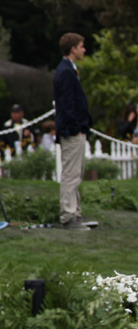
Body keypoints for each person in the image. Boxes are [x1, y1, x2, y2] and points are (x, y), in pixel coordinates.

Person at [54, 32, 93, 230]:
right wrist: (76, 129)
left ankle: (75, 212)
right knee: (70, 173)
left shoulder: (70, 70)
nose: (84, 49)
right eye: (81, 46)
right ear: (73, 48)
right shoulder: (66, 72)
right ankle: (68, 216)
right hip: (71, 132)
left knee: (76, 172)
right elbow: (68, 105)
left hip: (75, 130)